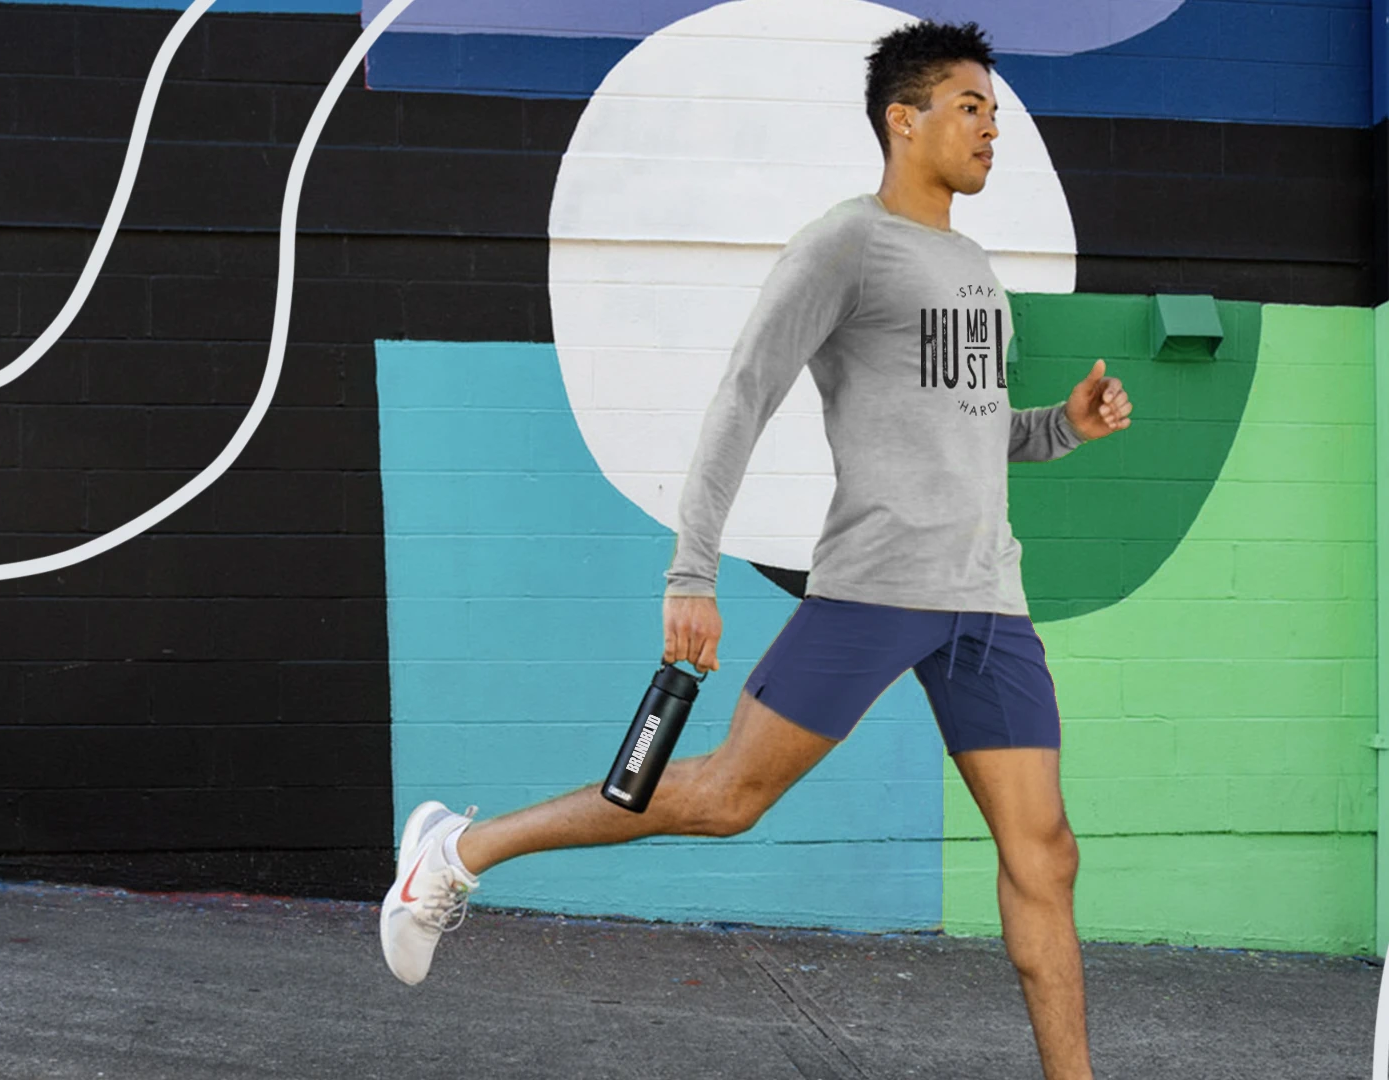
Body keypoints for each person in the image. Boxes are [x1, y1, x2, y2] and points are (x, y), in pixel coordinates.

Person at [380, 20, 1132, 1080]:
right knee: (726, 797)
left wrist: (1065, 425)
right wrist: (692, 570)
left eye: (997, 114)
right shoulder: (845, 245)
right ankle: (456, 854)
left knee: (1044, 857)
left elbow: (974, 433)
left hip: (987, 603)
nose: (991, 130)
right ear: (902, 118)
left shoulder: (972, 268)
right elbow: (742, 397)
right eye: (972, 108)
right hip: (875, 590)